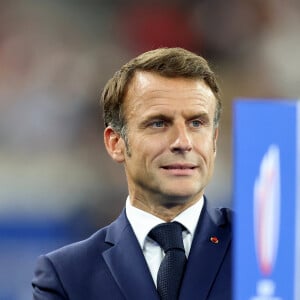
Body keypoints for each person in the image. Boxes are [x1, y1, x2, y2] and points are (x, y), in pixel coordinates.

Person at [32, 47, 232, 300]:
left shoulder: (267, 251)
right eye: (158, 123)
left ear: (214, 140)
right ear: (116, 143)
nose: (183, 141)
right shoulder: (67, 275)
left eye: (196, 123)